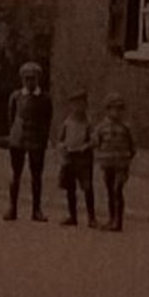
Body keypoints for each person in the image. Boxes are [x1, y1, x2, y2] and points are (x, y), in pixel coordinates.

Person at [5, 62, 53, 222]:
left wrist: (44, 140)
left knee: (36, 175)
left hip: (37, 140)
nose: (29, 82)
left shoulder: (45, 98)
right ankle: (12, 208)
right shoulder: (16, 96)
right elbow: (11, 117)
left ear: (38, 78)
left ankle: (36, 209)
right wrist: (13, 135)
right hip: (18, 140)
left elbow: (47, 121)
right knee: (15, 174)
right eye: (26, 78)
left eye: (32, 78)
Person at [93, 94, 136, 232]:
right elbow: (96, 143)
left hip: (121, 164)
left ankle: (118, 221)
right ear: (107, 110)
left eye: (119, 109)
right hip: (107, 164)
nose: (116, 113)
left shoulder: (125, 128)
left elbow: (132, 146)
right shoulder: (101, 127)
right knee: (110, 191)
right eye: (113, 109)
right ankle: (111, 218)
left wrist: (127, 159)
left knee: (117, 190)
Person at [57, 92, 97, 228]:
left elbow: (94, 140)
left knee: (87, 187)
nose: (78, 107)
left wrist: (86, 146)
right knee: (70, 187)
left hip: (83, 158)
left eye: (82, 104)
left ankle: (91, 217)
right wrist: (63, 148)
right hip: (70, 157)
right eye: (75, 104)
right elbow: (60, 139)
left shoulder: (88, 123)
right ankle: (72, 216)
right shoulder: (67, 123)